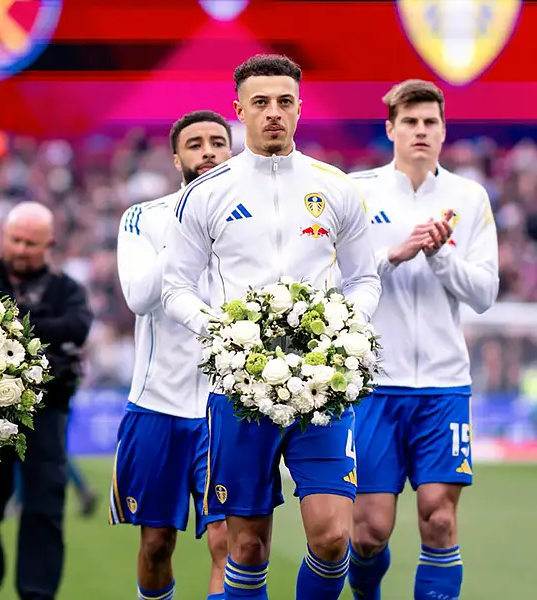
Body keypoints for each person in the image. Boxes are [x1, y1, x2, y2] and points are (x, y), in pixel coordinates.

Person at [161, 54, 381, 599]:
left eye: (285, 102)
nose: (273, 113)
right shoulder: (205, 193)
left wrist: (344, 331)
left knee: (333, 538)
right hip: (238, 390)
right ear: (239, 110)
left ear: (300, 108)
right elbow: (175, 288)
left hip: (322, 387)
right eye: (260, 102)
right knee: (247, 546)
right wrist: (223, 334)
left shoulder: (335, 187)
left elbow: (364, 279)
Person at [346, 80, 499, 600]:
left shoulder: (469, 197)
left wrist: (440, 256)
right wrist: (393, 255)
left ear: (443, 130)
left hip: (443, 384)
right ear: (390, 129)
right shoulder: (358, 193)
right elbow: (336, 283)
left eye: (430, 122)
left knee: (439, 518)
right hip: (374, 385)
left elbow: (484, 293)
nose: (420, 131)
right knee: (369, 532)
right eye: (409, 122)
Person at [111, 109, 233, 600]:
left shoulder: (253, 221)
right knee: (157, 544)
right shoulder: (143, 217)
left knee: (229, 539)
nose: (208, 152)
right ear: (177, 158)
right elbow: (139, 297)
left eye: (218, 142)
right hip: (157, 403)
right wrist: (187, 230)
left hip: (226, 404)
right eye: (195, 144)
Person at [0, 201, 93, 600]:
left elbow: (77, 326)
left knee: (43, 511)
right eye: (15, 240)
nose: (20, 249)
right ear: (3, 236)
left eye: (30, 243)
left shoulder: (67, 289)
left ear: (49, 244)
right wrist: (39, 326)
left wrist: (8, 322)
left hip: (47, 412)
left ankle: (37, 595)